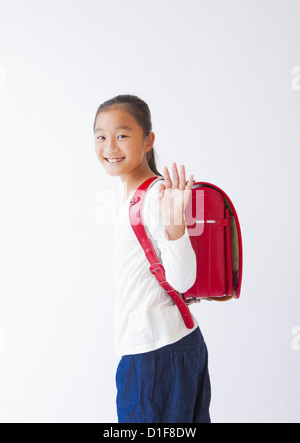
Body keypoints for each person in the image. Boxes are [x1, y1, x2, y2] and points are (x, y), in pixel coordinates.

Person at [93, 94, 211, 423]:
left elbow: (183, 279)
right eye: (101, 136)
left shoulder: (156, 196)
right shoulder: (132, 195)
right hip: (175, 346)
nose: (110, 146)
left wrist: (175, 223)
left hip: (154, 354)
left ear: (148, 141)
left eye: (122, 135)